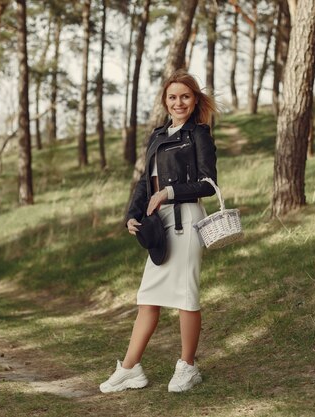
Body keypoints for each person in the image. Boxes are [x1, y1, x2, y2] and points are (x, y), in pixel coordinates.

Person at [100, 69, 219, 394]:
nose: (178, 102)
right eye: (172, 97)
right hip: (159, 224)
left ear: (194, 100)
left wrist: (169, 193)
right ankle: (130, 369)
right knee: (148, 298)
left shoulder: (199, 134)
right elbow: (144, 182)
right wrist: (132, 214)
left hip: (187, 220)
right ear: (165, 102)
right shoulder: (157, 135)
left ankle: (188, 366)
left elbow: (208, 184)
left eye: (185, 96)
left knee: (185, 296)